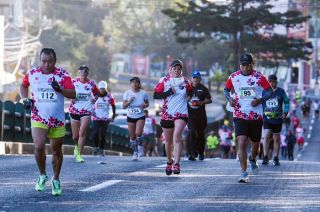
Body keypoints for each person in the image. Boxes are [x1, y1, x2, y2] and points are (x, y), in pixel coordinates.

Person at [20, 48, 76, 196]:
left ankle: (56, 179)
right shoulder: (32, 73)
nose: (46, 64)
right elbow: (23, 85)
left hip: (57, 119)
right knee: (38, 147)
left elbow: (73, 94)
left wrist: (60, 89)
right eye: (44, 61)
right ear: (40, 60)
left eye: (50, 61)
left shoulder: (62, 75)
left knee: (56, 151)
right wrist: (24, 99)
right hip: (38, 117)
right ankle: (42, 174)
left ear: (54, 61)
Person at [224, 53, 273, 183]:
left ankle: (252, 158)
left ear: (252, 64)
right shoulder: (234, 77)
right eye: (243, 65)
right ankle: (244, 173)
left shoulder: (259, 77)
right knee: (241, 142)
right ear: (240, 65)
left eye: (248, 65)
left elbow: (269, 91)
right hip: (239, 114)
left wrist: (260, 100)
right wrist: (230, 99)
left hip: (255, 115)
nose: (245, 68)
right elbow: (226, 89)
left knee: (255, 145)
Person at [154, 59, 192, 175]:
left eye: (179, 68)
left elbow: (190, 92)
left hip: (181, 113)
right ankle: (169, 162)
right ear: (170, 69)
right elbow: (156, 95)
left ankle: (176, 164)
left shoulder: (185, 81)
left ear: (181, 70)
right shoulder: (164, 80)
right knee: (168, 141)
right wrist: (169, 92)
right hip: (167, 113)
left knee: (177, 137)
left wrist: (189, 97)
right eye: (174, 68)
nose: (177, 70)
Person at [69, 65, 99, 163]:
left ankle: (79, 155)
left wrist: (95, 98)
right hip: (74, 110)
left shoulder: (91, 83)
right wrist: (71, 98)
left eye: (85, 72)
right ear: (79, 73)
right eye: (81, 72)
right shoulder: (73, 82)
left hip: (86, 110)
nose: (83, 74)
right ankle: (76, 147)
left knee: (82, 132)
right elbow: (67, 93)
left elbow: (97, 93)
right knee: (75, 136)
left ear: (87, 73)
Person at [261, 74, 289, 166]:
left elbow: (286, 101)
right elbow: (259, 102)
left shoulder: (281, 91)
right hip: (267, 119)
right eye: (270, 82)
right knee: (266, 135)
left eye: (273, 82)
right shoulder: (264, 92)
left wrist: (285, 112)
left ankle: (276, 157)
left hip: (277, 119)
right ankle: (265, 157)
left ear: (276, 82)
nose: (271, 83)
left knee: (276, 138)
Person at [187, 71, 212, 161]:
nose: (196, 79)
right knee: (192, 132)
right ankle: (192, 153)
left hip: (201, 115)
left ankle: (201, 152)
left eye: (197, 78)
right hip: (190, 115)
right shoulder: (188, 88)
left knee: (201, 134)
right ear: (192, 78)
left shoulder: (203, 88)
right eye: (194, 77)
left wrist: (202, 102)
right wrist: (187, 99)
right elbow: (182, 98)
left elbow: (209, 100)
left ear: (200, 79)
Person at [123, 77, 149, 161]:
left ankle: (140, 145)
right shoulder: (127, 93)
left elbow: (147, 103)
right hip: (130, 116)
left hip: (140, 115)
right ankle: (135, 152)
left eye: (136, 82)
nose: (134, 84)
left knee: (138, 132)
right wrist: (129, 101)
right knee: (132, 136)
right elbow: (124, 106)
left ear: (139, 84)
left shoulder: (143, 93)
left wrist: (144, 105)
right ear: (130, 84)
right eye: (132, 82)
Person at [90, 81, 116, 156]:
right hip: (96, 117)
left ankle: (101, 149)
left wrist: (113, 116)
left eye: (103, 88)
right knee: (95, 133)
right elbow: (90, 103)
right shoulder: (95, 95)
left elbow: (113, 106)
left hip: (105, 118)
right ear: (98, 88)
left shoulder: (109, 96)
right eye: (100, 88)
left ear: (105, 88)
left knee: (103, 134)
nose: (101, 90)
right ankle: (95, 148)